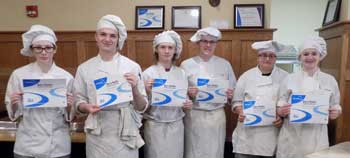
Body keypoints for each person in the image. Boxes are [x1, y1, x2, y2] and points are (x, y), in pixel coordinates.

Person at [72, 15, 147, 158]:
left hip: (125, 132)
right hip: (97, 132)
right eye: (103, 34)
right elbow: (78, 102)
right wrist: (86, 107)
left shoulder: (131, 66)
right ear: (96, 36)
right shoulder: (85, 68)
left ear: (118, 39)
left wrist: (135, 89)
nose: (107, 39)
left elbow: (142, 106)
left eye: (113, 36)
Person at [5, 25, 74, 158]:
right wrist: (14, 103)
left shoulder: (67, 77)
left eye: (48, 47)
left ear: (55, 50)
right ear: (32, 50)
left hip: (57, 146)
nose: (43, 52)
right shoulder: (19, 75)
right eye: (38, 48)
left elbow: (69, 116)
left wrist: (70, 105)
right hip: (27, 145)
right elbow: (14, 115)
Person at [276, 36, 342, 158]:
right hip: (291, 136)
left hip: (317, 136)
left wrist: (335, 113)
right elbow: (280, 104)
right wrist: (281, 111)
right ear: (300, 57)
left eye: (314, 54)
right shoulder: (289, 79)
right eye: (306, 54)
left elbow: (336, 106)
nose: (310, 57)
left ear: (320, 56)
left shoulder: (329, 80)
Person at [180, 27, 236, 158]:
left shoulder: (224, 64)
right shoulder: (186, 65)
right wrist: (189, 93)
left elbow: (234, 92)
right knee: (193, 151)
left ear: (216, 44)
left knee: (215, 151)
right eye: (204, 41)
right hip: (195, 116)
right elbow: (179, 93)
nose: (208, 45)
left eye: (212, 42)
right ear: (198, 43)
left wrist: (229, 95)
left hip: (217, 117)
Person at [231, 40, 291, 158]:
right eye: (263, 55)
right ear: (258, 57)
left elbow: (289, 105)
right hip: (247, 137)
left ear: (275, 58)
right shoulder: (246, 76)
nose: (267, 59)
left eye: (271, 56)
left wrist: (282, 118)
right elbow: (236, 101)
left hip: (272, 135)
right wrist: (241, 111)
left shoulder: (286, 77)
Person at [142, 30, 193, 158]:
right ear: (156, 49)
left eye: (170, 47)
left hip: (176, 125)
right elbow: (140, 106)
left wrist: (187, 103)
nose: (166, 51)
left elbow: (183, 98)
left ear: (175, 50)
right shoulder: (148, 74)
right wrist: (146, 91)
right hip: (155, 126)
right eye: (163, 47)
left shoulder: (181, 73)